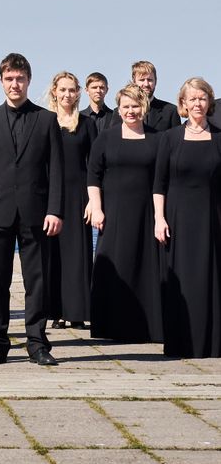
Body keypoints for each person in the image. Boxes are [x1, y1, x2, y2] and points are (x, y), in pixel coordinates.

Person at [0, 53, 63, 367]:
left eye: (19, 79)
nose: (14, 84)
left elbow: (57, 171)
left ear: (28, 81)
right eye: (9, 79)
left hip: (36, 212)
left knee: (37, 280)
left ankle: (37, 342)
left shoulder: (47, 120)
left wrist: (55, 210)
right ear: (1, 81)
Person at [87, 83, 163, 343]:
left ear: (144, 107)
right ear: (118, 109)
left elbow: (161, 179)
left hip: (147, 212)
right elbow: (93, 175)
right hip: (114, 213)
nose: (131, 111)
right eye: (126, 107)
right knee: (115, 266)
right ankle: (112, 326)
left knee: (146, 266)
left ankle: (147, 327)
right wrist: (96, 208)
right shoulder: (106, 137)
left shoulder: (157, 138)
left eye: (135, 106)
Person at [153, 78, 221, 358]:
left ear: (210, 102)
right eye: (191, 99)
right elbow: (159, 183)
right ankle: (181, 343)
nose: (197, 104)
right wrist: (159, 218)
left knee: (212, 278)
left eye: (202, 98)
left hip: (213, 218)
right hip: (178, 218)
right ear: (183, 103)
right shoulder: (169, 138)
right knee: (181, 279)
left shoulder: (219, 137)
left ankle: (213, 343)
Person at [46, 72, 96, 330]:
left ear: (78, 93)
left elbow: (95, 165)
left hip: (79, 196)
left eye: (72, 90)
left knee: (78, 255)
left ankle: (77, 312)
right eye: (62, 89)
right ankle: (56, 311)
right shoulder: (45, 121)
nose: (67, 94)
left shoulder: (87, 123)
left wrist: (93, 200)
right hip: (52, 195)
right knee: (54, 256)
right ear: (54, 91)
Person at [110, 61, 180, 132]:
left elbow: (176, 140)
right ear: (134, 82)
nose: (146, 84)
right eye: (142, 80)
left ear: (156, 81)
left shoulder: (171, 111)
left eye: (150, 80)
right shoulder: (120, 112)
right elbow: (114, 138)